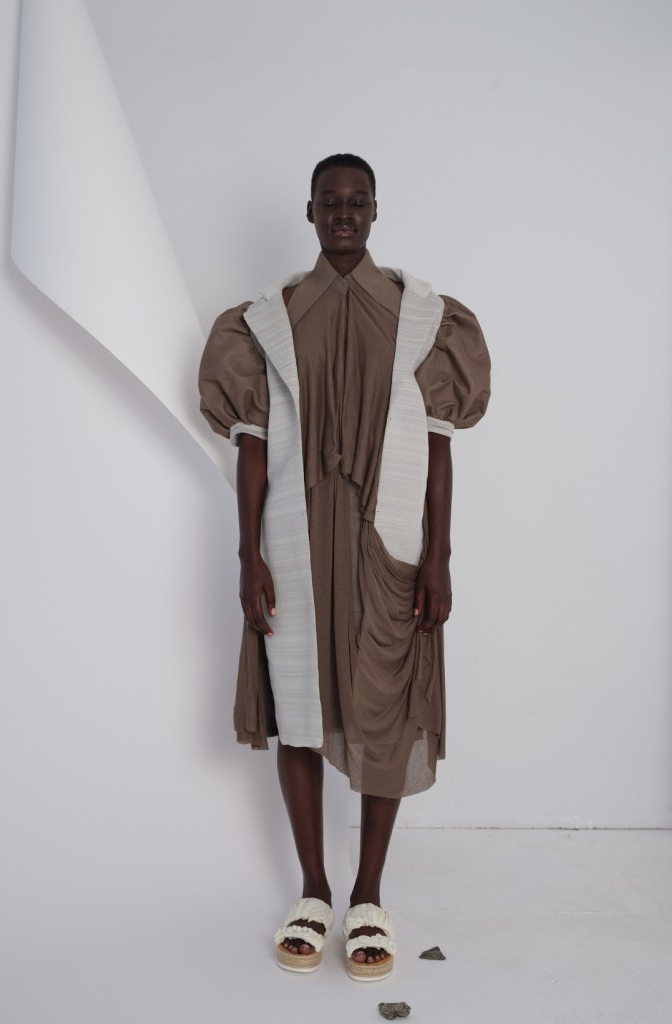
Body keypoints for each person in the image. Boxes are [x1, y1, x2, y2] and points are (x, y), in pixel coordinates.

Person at [198, 154, 490, 981]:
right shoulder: (267, 318)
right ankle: (314, 889)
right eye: (330, 201)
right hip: (294, 537)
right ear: (310, 211)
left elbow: (438, 444)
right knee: (298, 705)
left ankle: (367, 895)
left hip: (385, 543)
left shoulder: (421, 315)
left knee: (382, 711)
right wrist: (248, 554)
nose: (343, 213)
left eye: (357, 201)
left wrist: (437, 557)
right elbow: (251, 447)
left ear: (374, 210)